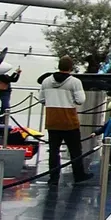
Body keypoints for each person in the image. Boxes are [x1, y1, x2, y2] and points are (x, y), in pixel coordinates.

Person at [40, 55, 88, 185]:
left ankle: (53, 178)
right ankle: (79, 175)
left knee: (53, 151)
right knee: (75, 150)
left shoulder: (46, 81)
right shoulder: (74, 82)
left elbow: (41, 99)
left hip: (52, 120)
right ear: (70, 67)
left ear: (59, 66)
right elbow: (80, 100)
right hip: (69, 121)